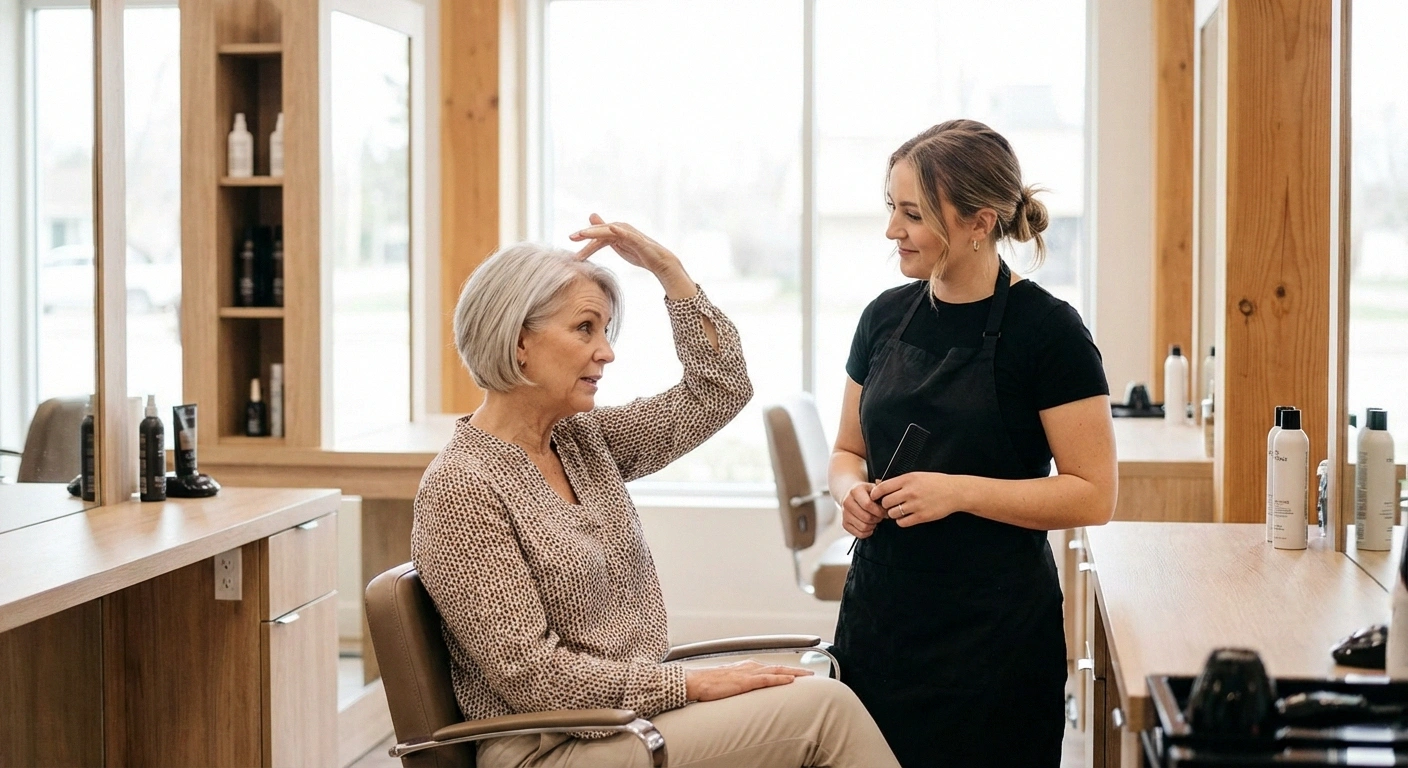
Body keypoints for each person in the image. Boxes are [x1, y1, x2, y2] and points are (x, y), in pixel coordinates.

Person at [413, 216, 901, 768]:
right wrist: (689, 685)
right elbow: (534, 676)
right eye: (585, 329)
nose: (606, 352)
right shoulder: (462, 487)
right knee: (823, 709)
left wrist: (670, 274)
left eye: (605, 331)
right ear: (519, 340)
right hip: (550, 745)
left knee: (815, 698)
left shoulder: (581, 441)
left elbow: (718, 391)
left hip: (627, 724)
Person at [830, 120, 1118, 767]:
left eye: (912, 214)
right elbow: (846, 452)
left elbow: (1094, 495)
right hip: (880, 623)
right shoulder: (882, 317)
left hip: (995, 638)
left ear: (979, 222)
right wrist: (850, 493)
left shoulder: (1049, 333)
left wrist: (955, 493)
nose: (891, 231)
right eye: (890, 209)